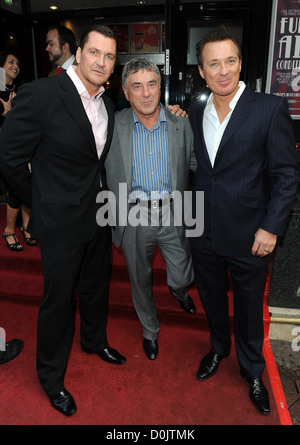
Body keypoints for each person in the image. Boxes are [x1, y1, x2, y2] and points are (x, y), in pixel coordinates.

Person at [0, 25, 126, 417]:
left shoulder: (108, 103)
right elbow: (9, 157)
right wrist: (40, 202)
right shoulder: (41, 94)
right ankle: (51, 378)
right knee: (57, 303)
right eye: (95, 53)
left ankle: (94, 340)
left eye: (109, 56)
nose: (101, 62)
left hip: (98, 216)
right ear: (79, 52)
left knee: (94, 287)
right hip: (58, 221)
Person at [189, 28, 299, 415]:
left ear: (241, 63)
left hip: (252, 235)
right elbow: (205, 171)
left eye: (230, 61)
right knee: (212, 299)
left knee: (251, 309)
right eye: (213, 64)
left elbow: (286, 174)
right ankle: (218, 348)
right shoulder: (196, 108)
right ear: (202, 71)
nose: (223, 71)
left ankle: (252, 370)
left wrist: (271, 228)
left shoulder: (268, 108)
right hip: (203, 230)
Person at [105, 57, 197, 361]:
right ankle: (149, 330)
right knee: (139, 278)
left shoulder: (181, 124)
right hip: (133, 213)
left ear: (161, 88)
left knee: (183, 274)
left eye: (152, 84)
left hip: (173, 210)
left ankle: (179, 291)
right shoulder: (111, 125)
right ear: (127, 92)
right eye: (137, 86)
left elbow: (198, 165)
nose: (145, 93)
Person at [0, 51, 37, 251]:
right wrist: (7, 113)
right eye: (11, 62)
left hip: (19, 147)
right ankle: (9, 230)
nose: (16, 65)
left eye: (17, 63)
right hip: (5, 150)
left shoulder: (16, 89)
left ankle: (26, 226)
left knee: (25, 185)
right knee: (15, 187)